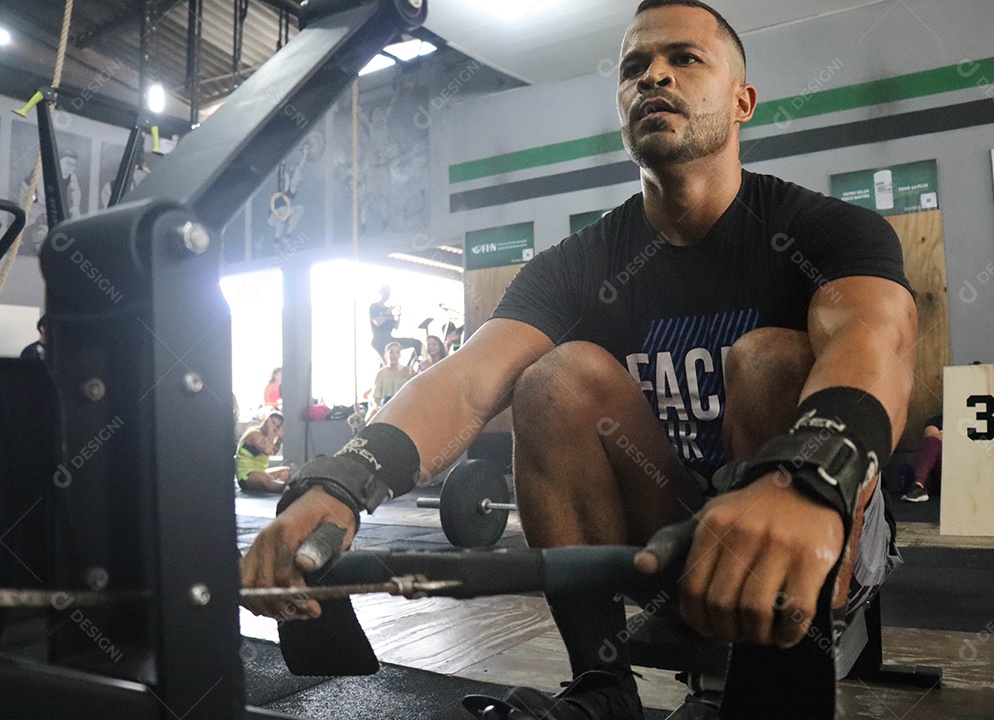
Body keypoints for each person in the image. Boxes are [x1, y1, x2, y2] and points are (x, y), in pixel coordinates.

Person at [241, 2, 917, 718]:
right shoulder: (581, 262)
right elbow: (469, 380)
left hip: (823, 519)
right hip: (676, 526)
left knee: (770, 359)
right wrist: (346, 480)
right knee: (554, 379)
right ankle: (603, 685)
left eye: (685, 58)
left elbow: (877, 340)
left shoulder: (823, 228)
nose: (654, 73)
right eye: (633, 68)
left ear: (743, 101)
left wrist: (809, 476)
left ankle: (777, 695)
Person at [236, 412, 289, 493]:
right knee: (265, 479)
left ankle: (278, 486)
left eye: (277, 426)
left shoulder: (267, 438)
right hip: (247, 475)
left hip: (261, 471)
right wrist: (271, 430)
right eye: (272, 423)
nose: (274, 427)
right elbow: (266, 448)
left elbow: (272, 452)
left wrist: (279, 439)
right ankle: (286, 489)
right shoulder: (254, 433)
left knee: (286, 471)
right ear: (267, 421)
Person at [369, 285, 422, 362]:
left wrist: (399, 315)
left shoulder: (388, 309)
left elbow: (396, 327)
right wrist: (387, 312)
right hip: (379, 339)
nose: (387, 296)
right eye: (385, 293)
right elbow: (377, 322)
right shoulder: (374, 307)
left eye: (388, 294)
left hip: (390, 338)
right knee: (389, 363)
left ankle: (411, 366)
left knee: (417, 343)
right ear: (380, 293)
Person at [902, 414, 943, 502]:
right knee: (931, 442)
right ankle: (918, 487)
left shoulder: (971, 421)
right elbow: (931, 436)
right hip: (941, 472)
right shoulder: (937, 421)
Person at [369, 342, 415, 417]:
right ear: (386, 355)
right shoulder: (381, 373)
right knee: (369, 419)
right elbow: (376, 396)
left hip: (403, 405)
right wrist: (378, 407)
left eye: (397, 352)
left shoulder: (407, 371)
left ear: (399, 355)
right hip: (385, 405)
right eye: (391, 352)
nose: (394, 355)